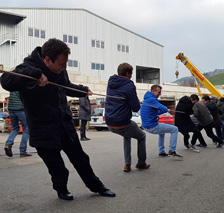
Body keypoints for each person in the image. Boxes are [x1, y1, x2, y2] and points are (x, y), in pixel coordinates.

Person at [1, 38, 115, 200]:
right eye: (61, 64)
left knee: (81, 159)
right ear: (47, 60)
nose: (64, 68)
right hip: (43, 130)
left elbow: (65, 85)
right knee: (58, 168)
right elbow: (6, 81)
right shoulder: (27, 68)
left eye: (65, 63)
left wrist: (83, 91)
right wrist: (36, 74)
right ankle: (62, 190)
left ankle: (97, 186)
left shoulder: (60, 70)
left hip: (64, 125)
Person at [105, 62, 150, 172]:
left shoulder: (111, 82)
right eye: (131, 74)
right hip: (122, 123)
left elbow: (120, 98)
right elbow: (135, 108)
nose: (131, 76)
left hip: (109, 122)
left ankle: (127, 165)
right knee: (142, 136)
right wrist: (136, 102)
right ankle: (141, 163)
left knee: (127, 135)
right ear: (128, 73)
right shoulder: (129, 85)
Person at [140, 85, 183, 158]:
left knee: (162, 132)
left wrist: (164, 110)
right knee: (175, 129)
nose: (160, 94)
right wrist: (167, 109)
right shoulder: (152, 99)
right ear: (153, 91)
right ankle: (172, 150)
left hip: (146, 125)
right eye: (159, 92)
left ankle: (161, 151)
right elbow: (162, 108)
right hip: (151, 126)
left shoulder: (147, 99)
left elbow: (157, 111)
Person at [4, 91, 31, 157]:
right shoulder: (21, 86)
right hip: (20, 110)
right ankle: (22, 151)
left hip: (11, 110)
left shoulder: (12, 86)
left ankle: (8, 144)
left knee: (15, 128)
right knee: (26, 129)